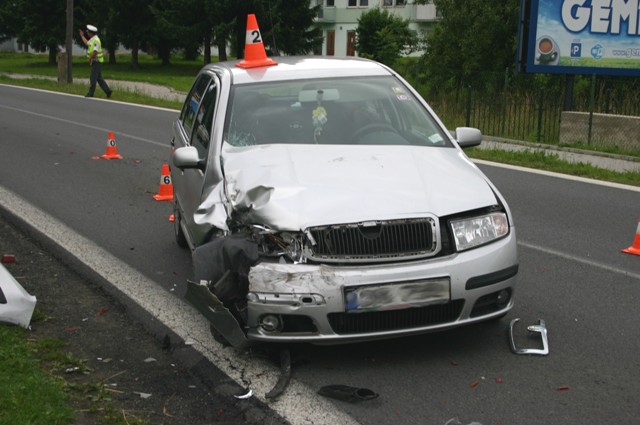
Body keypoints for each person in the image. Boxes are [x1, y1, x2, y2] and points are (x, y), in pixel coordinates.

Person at [79, 24, 112, 98]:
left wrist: (90, 58)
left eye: (88, 32)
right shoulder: (93, 39)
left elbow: (95, 52)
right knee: (99, 78)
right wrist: (82, 36)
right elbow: (87, 43)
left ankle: (91, 93)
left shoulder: (96, 40)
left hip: (96, 61)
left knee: (93, 77)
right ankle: (108, 91)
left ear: (91, 33)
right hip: (95, 61)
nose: (87, 33)